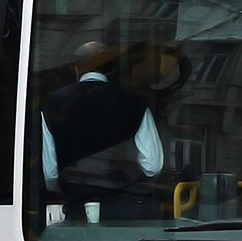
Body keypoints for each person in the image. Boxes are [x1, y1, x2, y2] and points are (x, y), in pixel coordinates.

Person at [39, 42, 165, 221]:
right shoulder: (134, 101)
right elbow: (152, 165)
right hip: (127, 209)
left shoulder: (53, 103)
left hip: (78, 207)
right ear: (111, 69)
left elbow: (50, 172)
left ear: (76, 69)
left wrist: (68, 189)